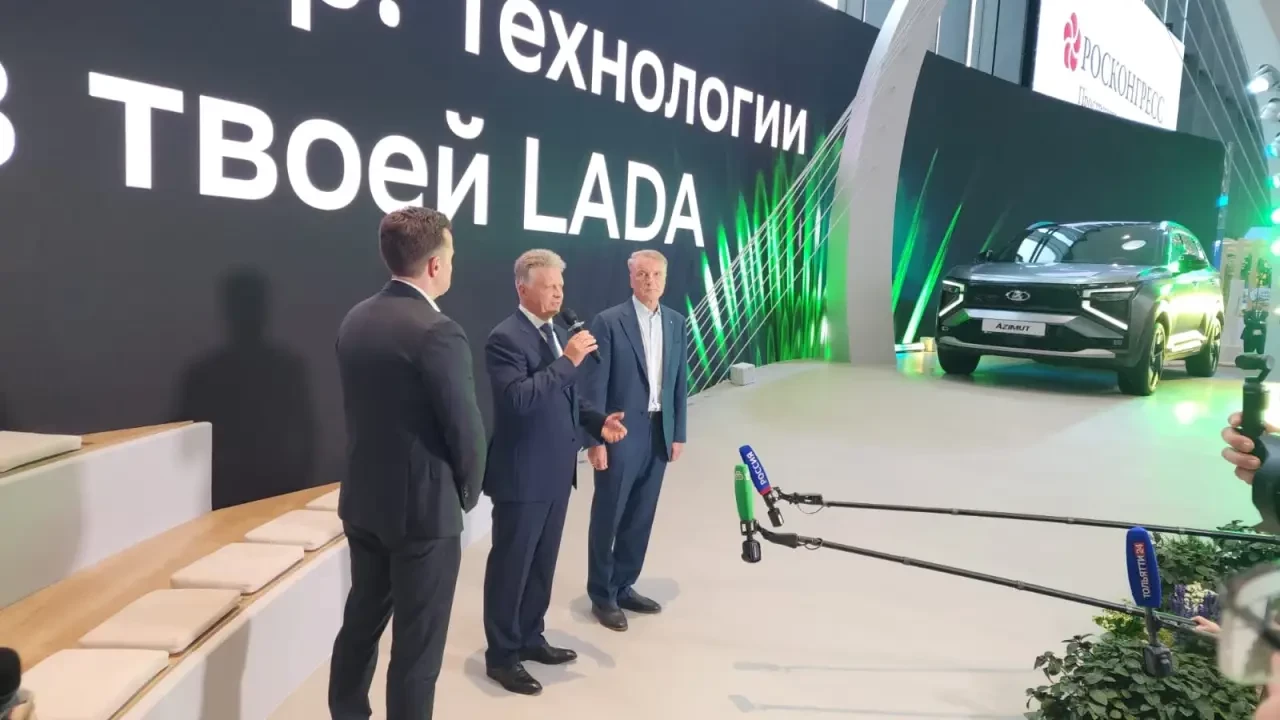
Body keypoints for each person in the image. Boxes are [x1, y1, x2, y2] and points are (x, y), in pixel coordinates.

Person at [329, 207, 487, 720]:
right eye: (452, 256)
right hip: (423, 514)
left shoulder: (355, 318)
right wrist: (468, 494)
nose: (453, 264)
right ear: (436, 265)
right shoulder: (439, 330)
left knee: (360, 624)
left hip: (363, 504)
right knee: (417, 652)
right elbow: (465, 429)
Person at [482, 249, 626, 696]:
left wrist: (598, 422)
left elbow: (567, 398)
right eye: (549, 286)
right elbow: (519, 400)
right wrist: (568, 361)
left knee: (542, 564)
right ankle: (501, 657)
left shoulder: (556, 333)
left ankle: (530, 637)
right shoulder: (505, 338)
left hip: (557, 472)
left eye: (561, 286)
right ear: (522, 288)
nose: (559, 294)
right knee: (512, 567)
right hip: (522, 475)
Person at [582, 249, 688, 631]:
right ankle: (602, 595)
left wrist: (678, 432)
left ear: (665, 279)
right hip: (620, 431)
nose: (650, 281)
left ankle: (623, 584)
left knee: (641, 513)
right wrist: (595, 439)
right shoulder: (609, 322)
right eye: (642, 274)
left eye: (657, 274)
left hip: (659, 430)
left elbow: (679, 381)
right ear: (631, 278)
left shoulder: (676, 322)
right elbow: (594, 385)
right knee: (609, 513)